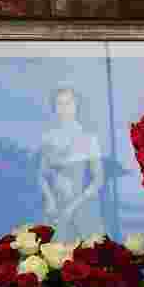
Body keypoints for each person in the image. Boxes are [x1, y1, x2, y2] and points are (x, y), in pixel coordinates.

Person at [39, 86, 107, 241]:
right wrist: (49, 199)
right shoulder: (48, 138)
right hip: (55, 208)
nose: (64, 108)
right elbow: (42, 175)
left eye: (68, 103)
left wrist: (74, 206)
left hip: (82, 206)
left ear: (76, 106)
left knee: (84, 255)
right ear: (54, 108)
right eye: (59, 104)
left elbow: (98, 180)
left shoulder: (89, 138)